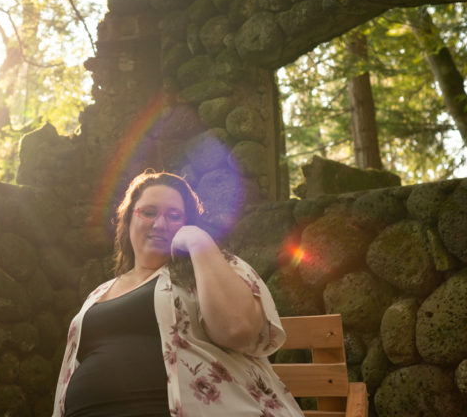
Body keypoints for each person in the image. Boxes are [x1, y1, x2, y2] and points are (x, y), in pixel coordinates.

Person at [52, 170, 304, 416]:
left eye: (174, 216)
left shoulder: (208, 264)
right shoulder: (98, 293)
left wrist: (198, 241)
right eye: (148, 212)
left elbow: (237, 329)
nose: (160, 224)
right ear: (128, 220)